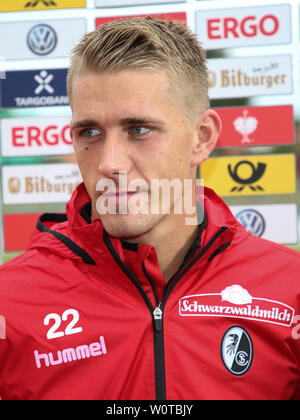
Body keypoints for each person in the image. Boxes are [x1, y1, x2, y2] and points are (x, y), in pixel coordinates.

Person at [0, 16, 299, 401]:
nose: (110, 163)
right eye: (89, 132)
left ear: (202, 138)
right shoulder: (10, 300)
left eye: (138, 129)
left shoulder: (288, 292)